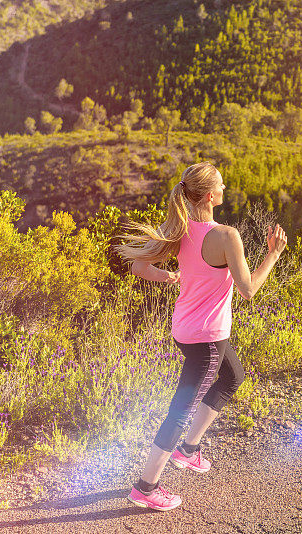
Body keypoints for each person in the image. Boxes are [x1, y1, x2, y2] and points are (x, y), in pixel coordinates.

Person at [114, 161, 287, 511]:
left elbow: (138, 266)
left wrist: (170, 277)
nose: (224, 189)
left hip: (187, 330)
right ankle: (146, 488)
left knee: (233, 376)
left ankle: (188, 450)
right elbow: (248, 289)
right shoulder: (225, 236)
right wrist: (273, 254)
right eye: (221, 185)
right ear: (210, 195)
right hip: (208, 339)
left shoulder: (178, 230)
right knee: (181, 411)